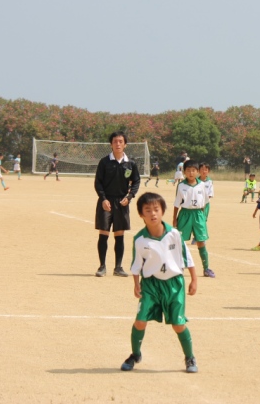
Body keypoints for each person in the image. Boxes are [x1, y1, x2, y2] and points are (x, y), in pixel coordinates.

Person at [120, 192, 199, 373]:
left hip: (174, 285)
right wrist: (136, 284)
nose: (153, 214)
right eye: (148, 210)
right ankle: (135, 354)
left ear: (163, 211)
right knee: (140, 321)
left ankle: (190, 357)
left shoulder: (174, 234)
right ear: (141, 214)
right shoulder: (139, 239)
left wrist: (194, 279)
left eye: (156, 209)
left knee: (178, 325)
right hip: (151, 285)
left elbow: (187, 257)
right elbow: (137, 264)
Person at [94, 131, 141, 278]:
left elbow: (136, 181)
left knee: (119, 235)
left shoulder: (130, 164)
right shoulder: (104, 162)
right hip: (106, 202)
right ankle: (102, 266)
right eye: (115, 141)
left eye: (121, 141)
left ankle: (118, 267)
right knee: (104, 234)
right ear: (111, 144)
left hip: (122, 203)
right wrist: (103, 199)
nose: (118, 144)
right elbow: (98, 182)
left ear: (125, 144)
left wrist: (130, 197)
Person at [173, 159, 213, 277]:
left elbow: (205, 202)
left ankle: (206, 268)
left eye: (193, 170)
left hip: (198, 215)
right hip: (185, 214)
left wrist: (202, 217)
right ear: (184, 172)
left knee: (201, 241)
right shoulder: (181, 186)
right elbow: (177, 204)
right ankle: (180, 267)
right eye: (188, 170)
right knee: (180, 241)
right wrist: (174, 219)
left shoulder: (202, 185)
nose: (191, 173)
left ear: (197, 172)